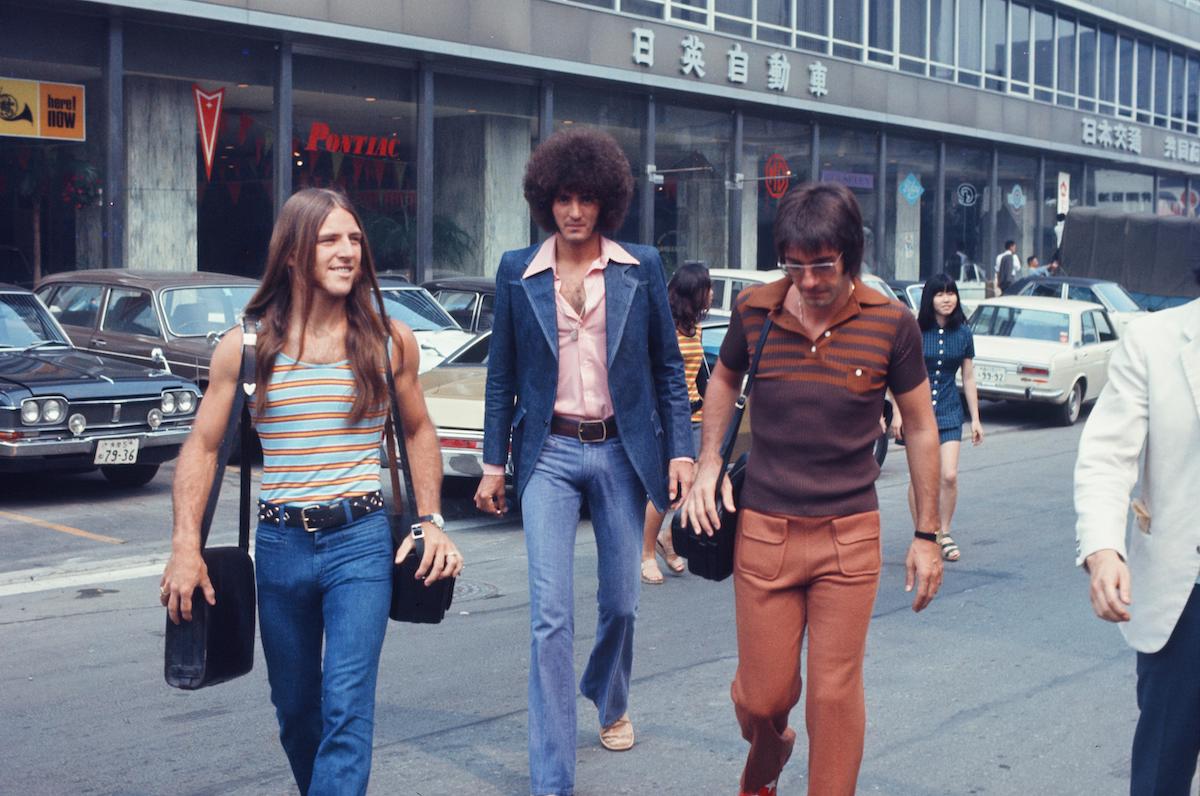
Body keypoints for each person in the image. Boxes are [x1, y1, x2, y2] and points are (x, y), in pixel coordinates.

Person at [159, 188, 463, 795]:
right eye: (331, 240)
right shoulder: (246, 347)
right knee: (297, 713)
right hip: (280, 545)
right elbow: (204, 446)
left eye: (354, 239)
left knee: (347, 710)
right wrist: (184, 546)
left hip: (360, 542)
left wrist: (432, 519)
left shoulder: (387, 341)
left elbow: (419, 428)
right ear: (295, 253)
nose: (348, 251)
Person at [682, 181, 943, 796]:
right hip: (766, 531)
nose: (808, 280)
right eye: (795, 265)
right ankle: (768, 757)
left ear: (850, 254)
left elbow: (924, 429)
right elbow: (721, 380)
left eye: (822, 265)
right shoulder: (756, 309)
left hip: (849, 538)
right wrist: (708, 462)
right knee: (761, 695)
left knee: (833, 689)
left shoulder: (891, 324)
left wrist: (928, 534)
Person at [474, 128, 694, 796]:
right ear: (546, 200)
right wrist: (491, 464)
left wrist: (681, 450)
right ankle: (553, 778)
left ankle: (607, 689)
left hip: (622, 453)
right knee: (550, 616)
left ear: (607, 202)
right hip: (549, 454)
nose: (575, 210)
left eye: (587, 198)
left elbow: (664, 368)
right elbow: (501, 375)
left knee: (623, 602)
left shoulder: (641, 267)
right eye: (563, 198)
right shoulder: (518, 270)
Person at [1073, 269, 1200, 796]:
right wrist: (1104, 550)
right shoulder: (1157, 339)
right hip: (1186, 598)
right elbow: (1107, 454)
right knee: (1160, 774)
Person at [891, 272, 984, 562]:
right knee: (919, 477)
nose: (947, 299)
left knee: (949, 475)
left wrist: (976, 419)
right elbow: (895, 375)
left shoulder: (964, 334)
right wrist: (896, 413)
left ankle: (944, 532)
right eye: (940, 293)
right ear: (929, 299)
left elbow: (968, 378)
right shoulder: (915, 332)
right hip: (917, 415)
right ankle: (924, 533)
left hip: (949, 412)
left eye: (951, 293)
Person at [641, 261, 712, 584]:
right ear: (693, 291)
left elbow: (698, 373)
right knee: (664, 490)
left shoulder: (694, 327)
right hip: (669, 418)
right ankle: (645, 556)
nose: (711, 294)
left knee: (693, 486)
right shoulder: (663, 326)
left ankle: (668, 537)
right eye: (707, 287)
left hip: (695, 415)